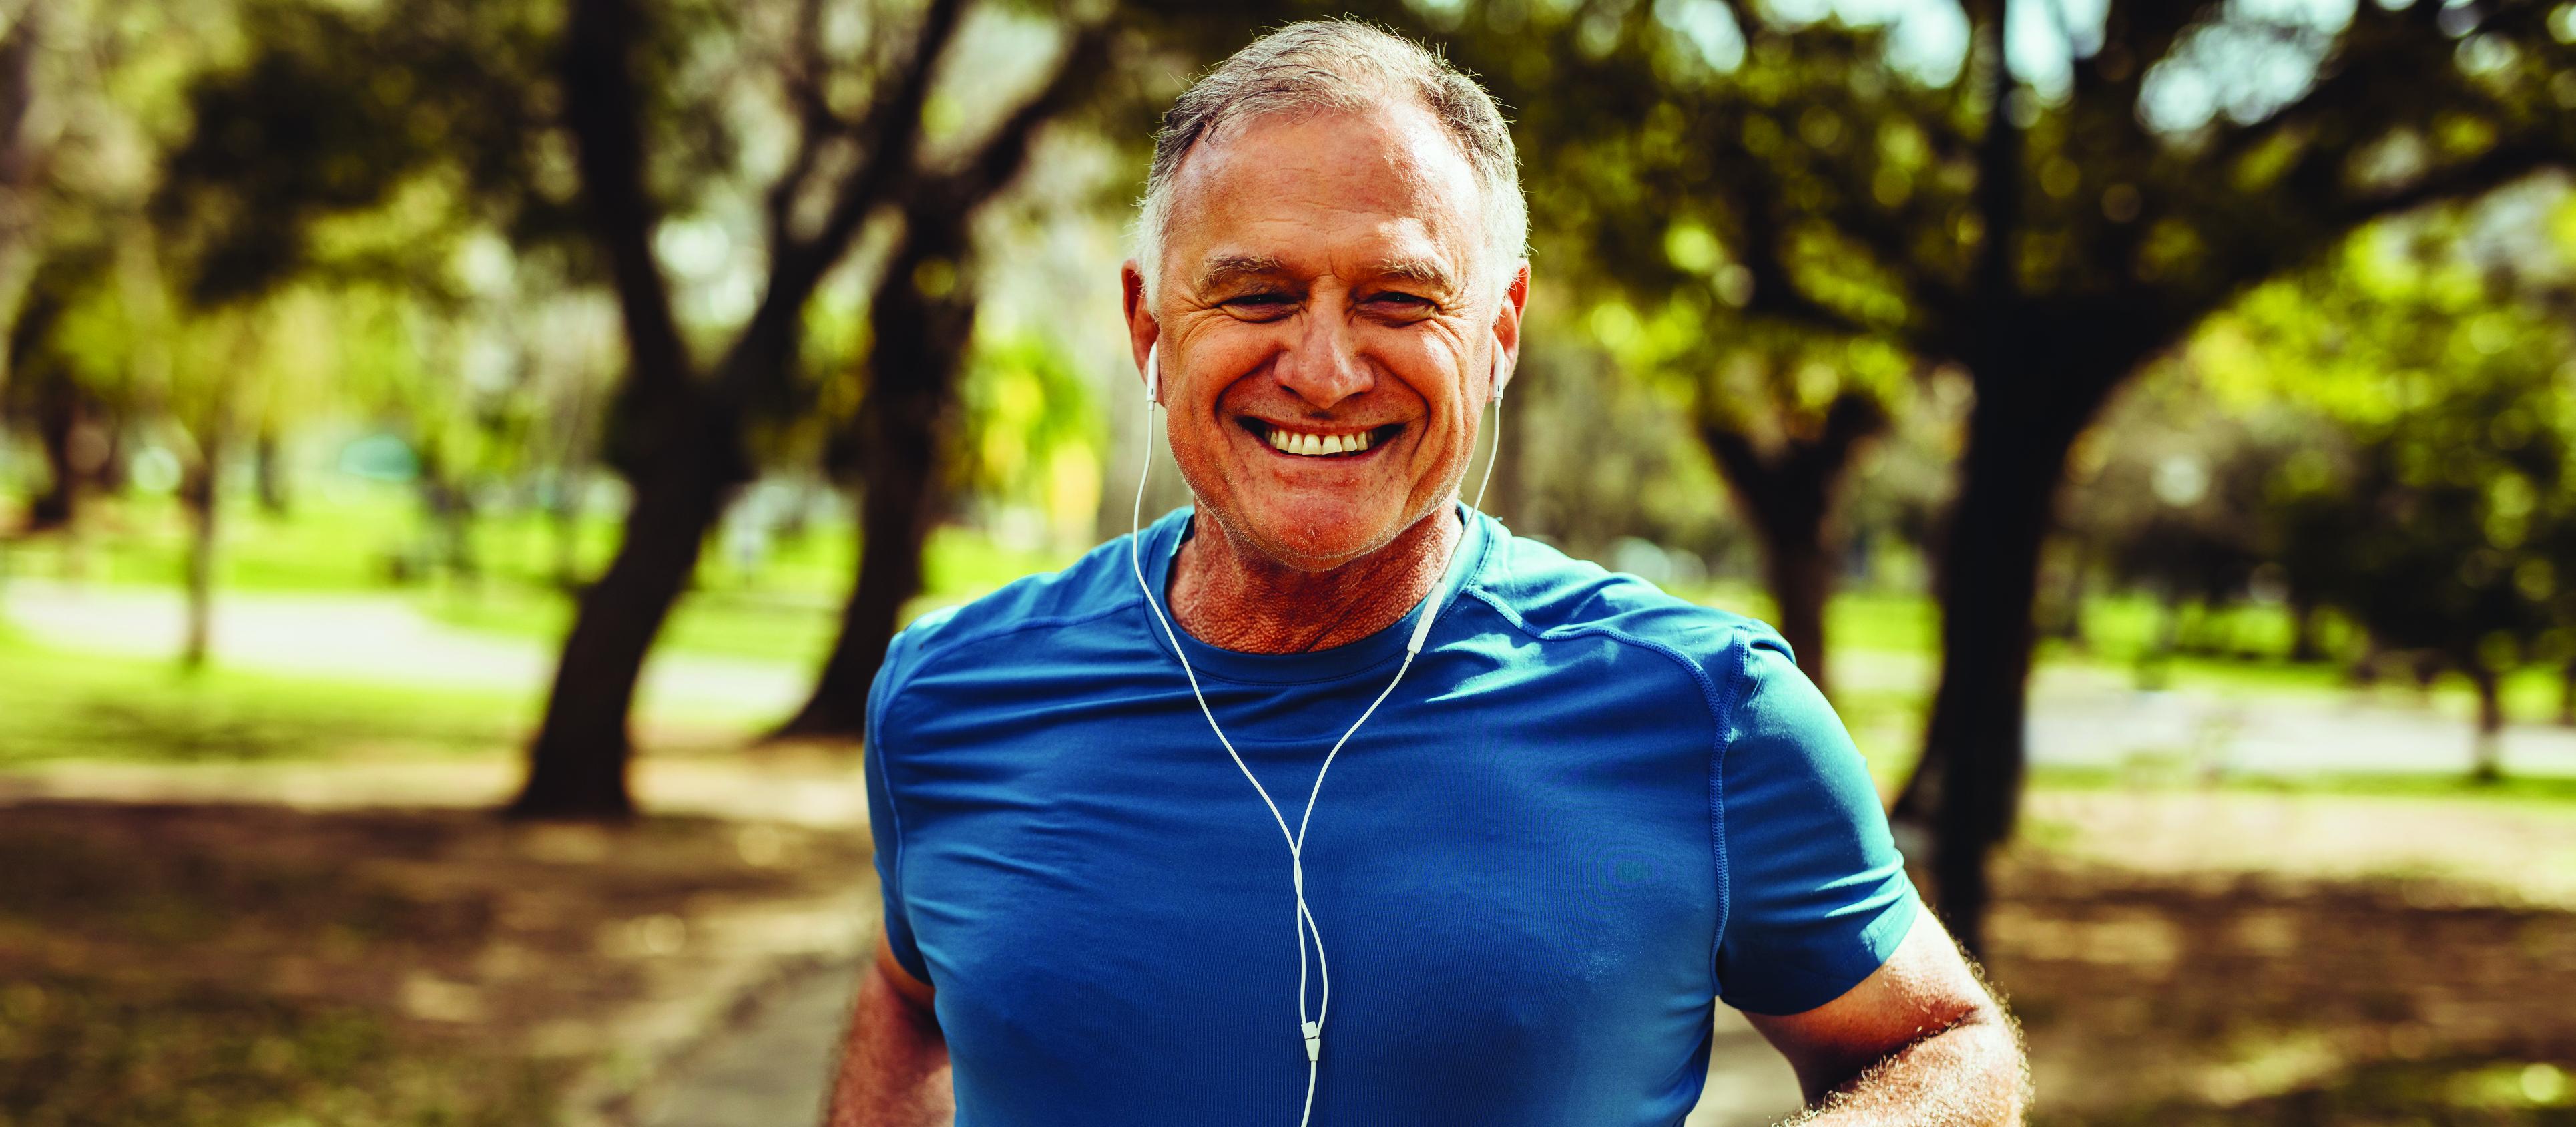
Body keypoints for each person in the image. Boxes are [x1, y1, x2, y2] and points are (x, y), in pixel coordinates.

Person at [826, 19, 2027, 1126]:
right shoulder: (949, 695)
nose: (1327, 368)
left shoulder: (1706, 711)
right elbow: (911, 990)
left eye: (1400, 299)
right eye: (1258, 294)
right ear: (1149, 329)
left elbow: (1943, 1042)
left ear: (1498, 333)